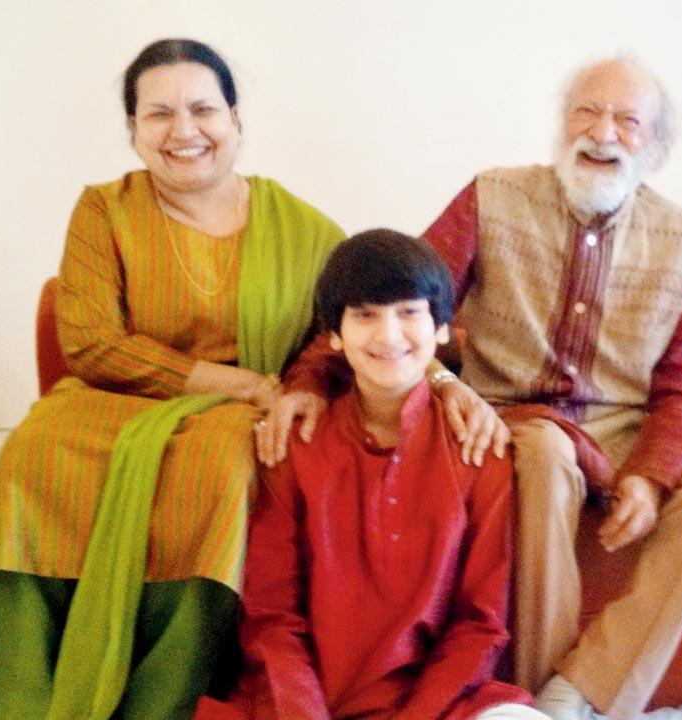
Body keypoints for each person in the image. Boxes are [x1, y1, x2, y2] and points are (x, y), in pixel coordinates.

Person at [0, 39, 501, 720]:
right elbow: (91, 342)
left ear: (236, 120)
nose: (183, 131)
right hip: (111, 404)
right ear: (133, 129)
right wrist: (243, 384)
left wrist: (448, 382)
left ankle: (165, 701)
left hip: (231, 425)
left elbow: (362, 323)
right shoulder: (103, 212)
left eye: (202, 109)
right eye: (158, 114)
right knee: (32, 453)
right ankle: (23, 696)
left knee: (223, 469)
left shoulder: (302, 229)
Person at [418, 56, 682, 720]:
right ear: (562, 124)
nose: (602, 132)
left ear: (655, 147)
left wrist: (653, 474)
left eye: (628, 121)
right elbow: (412, 300)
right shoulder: (493, 196)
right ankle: (525, 699)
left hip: (619, 431)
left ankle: (575, 696)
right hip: (513, 418)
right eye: (586, 111)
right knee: (547, 451)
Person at [195, 230, 546, 720]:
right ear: (334, 335)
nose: (388, 335)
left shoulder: (477, 448)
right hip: (303, 704)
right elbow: (272, 620)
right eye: (365, 315)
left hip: (438, 706)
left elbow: (480, 623)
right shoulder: (296, 445)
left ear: (442, 326)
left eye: (408, 312)